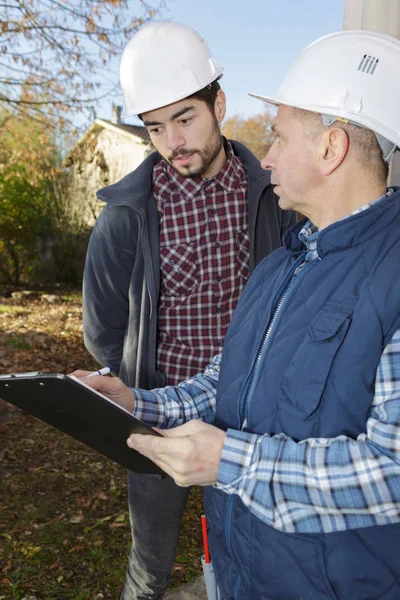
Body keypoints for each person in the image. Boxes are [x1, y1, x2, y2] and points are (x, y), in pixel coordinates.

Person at [77, 30, 400, 599]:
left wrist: (230, 459)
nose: (267, 154)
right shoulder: (283, 266)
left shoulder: (385, 272)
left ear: (331, 149)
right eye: (156, 127)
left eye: (277, 136)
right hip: (245, 564)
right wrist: (140, 402)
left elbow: (391, 474)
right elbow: (227, 378)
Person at [82, 20, 295, 600]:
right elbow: (103, 328)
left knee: (246, 558)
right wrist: (142, 391)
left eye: (185, 118)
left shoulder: (277, 197)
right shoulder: (126, 215)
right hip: (159, 416)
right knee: (149, 567)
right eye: (155, 127)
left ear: (218, 103)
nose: (173, 141)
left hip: (252, 423)